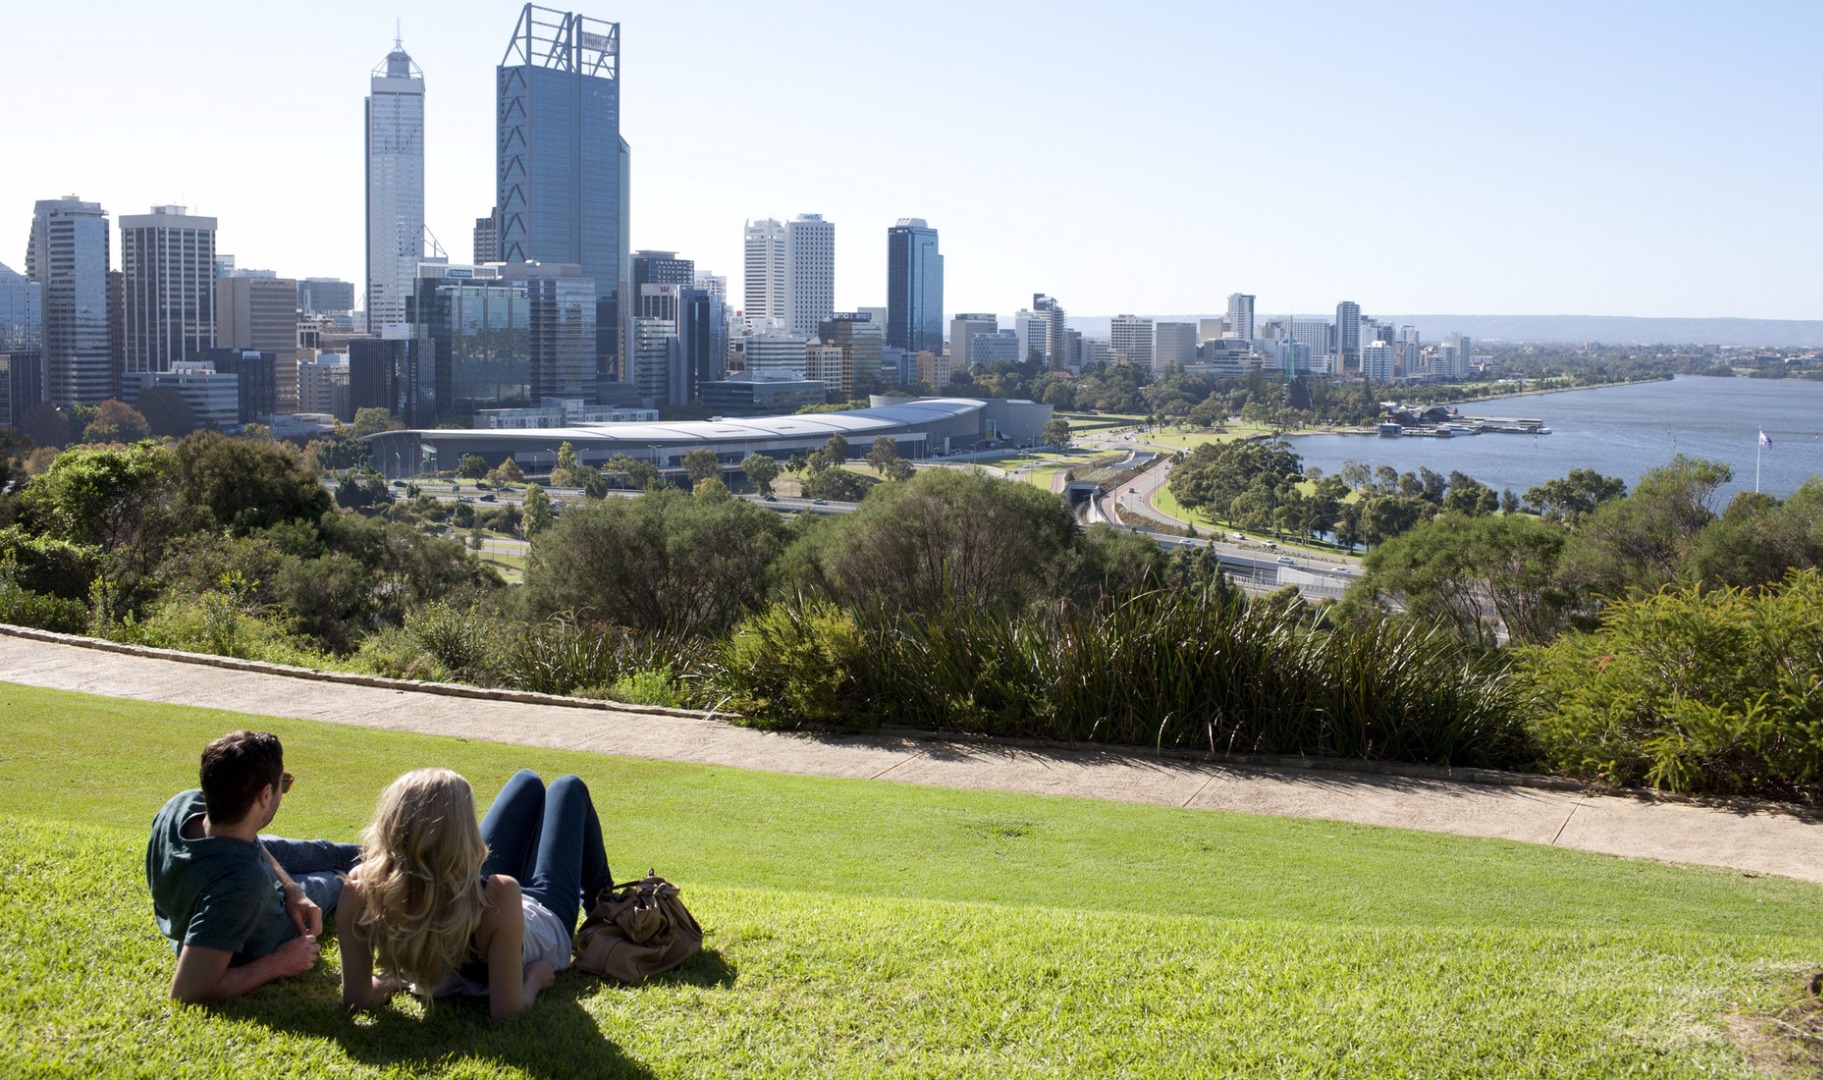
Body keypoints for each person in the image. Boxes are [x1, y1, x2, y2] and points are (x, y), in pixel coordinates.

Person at [338, 768, 613, 1021]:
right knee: (568, 787)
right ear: (461, 833)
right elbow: (509, 1012)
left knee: (526, 781)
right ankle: (608, 910)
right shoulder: (499, 893)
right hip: (541, 921)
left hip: (472, 895)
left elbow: (358, 998)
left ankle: (608, 905)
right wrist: (534, 979)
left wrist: (391, 980)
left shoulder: (361, 887)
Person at [145, 730, 362, 1003]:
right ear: (266, 794)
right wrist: (278, 963)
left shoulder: (183, 805)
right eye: (283, 784)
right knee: (340, 878)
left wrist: (291, 887)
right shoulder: (240, 885)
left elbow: (243, 839)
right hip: (272, 919)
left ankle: (407, 850)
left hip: (263, 863)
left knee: (327, 851)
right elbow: (187, 991)